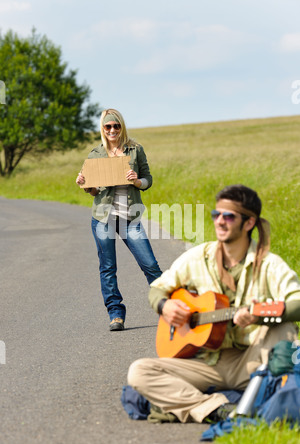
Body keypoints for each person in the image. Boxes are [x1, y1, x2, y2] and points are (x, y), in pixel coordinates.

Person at [127, 184, 300, 423]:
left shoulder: (270, 264)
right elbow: (158, 288)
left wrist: (258, 316)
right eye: (216, 215)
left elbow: (297, 302)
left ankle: (242, 401)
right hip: (205, 363)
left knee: (285, 330)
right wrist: (164, 306)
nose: (220, 221)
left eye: (228, 216)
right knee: (140, 372)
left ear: (249, 223)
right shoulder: (199, 256)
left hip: (251, 361)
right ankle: (215, 409)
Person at [76, 108, 162, 331]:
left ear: (121, 126)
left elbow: (148, 179)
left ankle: (168, 307)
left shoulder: (135, 150)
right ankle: (116, 314)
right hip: (103, 218)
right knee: (108, 267)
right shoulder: (95, 154)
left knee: (150, 264)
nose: (112, 130)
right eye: (108, 126)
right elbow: (94, 192)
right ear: (102, 129)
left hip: (129, 218)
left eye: (116, 126)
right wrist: (86, 185)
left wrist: (137, 181)